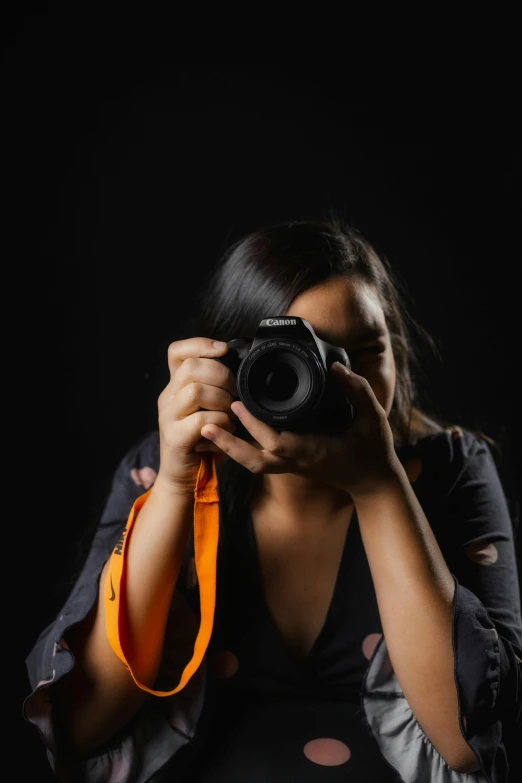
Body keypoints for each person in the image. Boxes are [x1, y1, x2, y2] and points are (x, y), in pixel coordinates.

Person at [23, 215, 522, 782]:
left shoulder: (451, 469)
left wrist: (378, 485)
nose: (338, 386)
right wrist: (175, 484)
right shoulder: (159, 469)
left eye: (362, 353)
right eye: (295, 360)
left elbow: (464, 743)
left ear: (397, 353)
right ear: (228, 365)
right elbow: (85, 725)